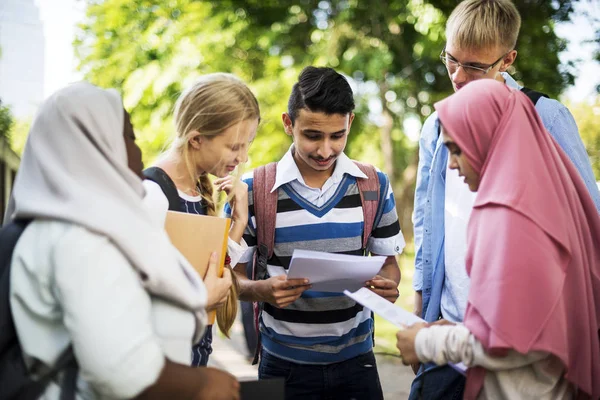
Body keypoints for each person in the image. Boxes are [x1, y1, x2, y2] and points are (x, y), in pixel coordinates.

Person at [411, 0, 600, 397]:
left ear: (507, 59)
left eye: (475, 66)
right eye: (451, 60)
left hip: (517, 338)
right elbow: (427, 220)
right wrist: (421, 308)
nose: (458, 77)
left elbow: (585, 220)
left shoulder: (545, 116)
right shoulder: (435, 124)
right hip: (449, 323)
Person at [6, 82, 240, 399]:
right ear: (95, 143)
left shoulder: (67, 228)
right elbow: (124, 372)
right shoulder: (80, 239)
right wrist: (204, 382)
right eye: (130, 136)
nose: (139, 151)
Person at [227, 66, 406, 400]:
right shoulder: (252, 191)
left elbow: (389, 265)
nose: (325, 151)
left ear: (350, 123)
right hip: (282, 366)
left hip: (358, 364)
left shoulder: (374, 186)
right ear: (288, 124)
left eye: (337, 136)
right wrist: (261, 290)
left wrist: (389, 285)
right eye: (312, 135)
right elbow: (228, 279)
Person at [143, 72, 260, 367]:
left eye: (247, 145)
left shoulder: (197, 191)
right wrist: (199, 301)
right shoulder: (152, 196)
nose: (243, 158)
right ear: (196, 139)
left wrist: (239, 222)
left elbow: (212, 270)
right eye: (235, 147)